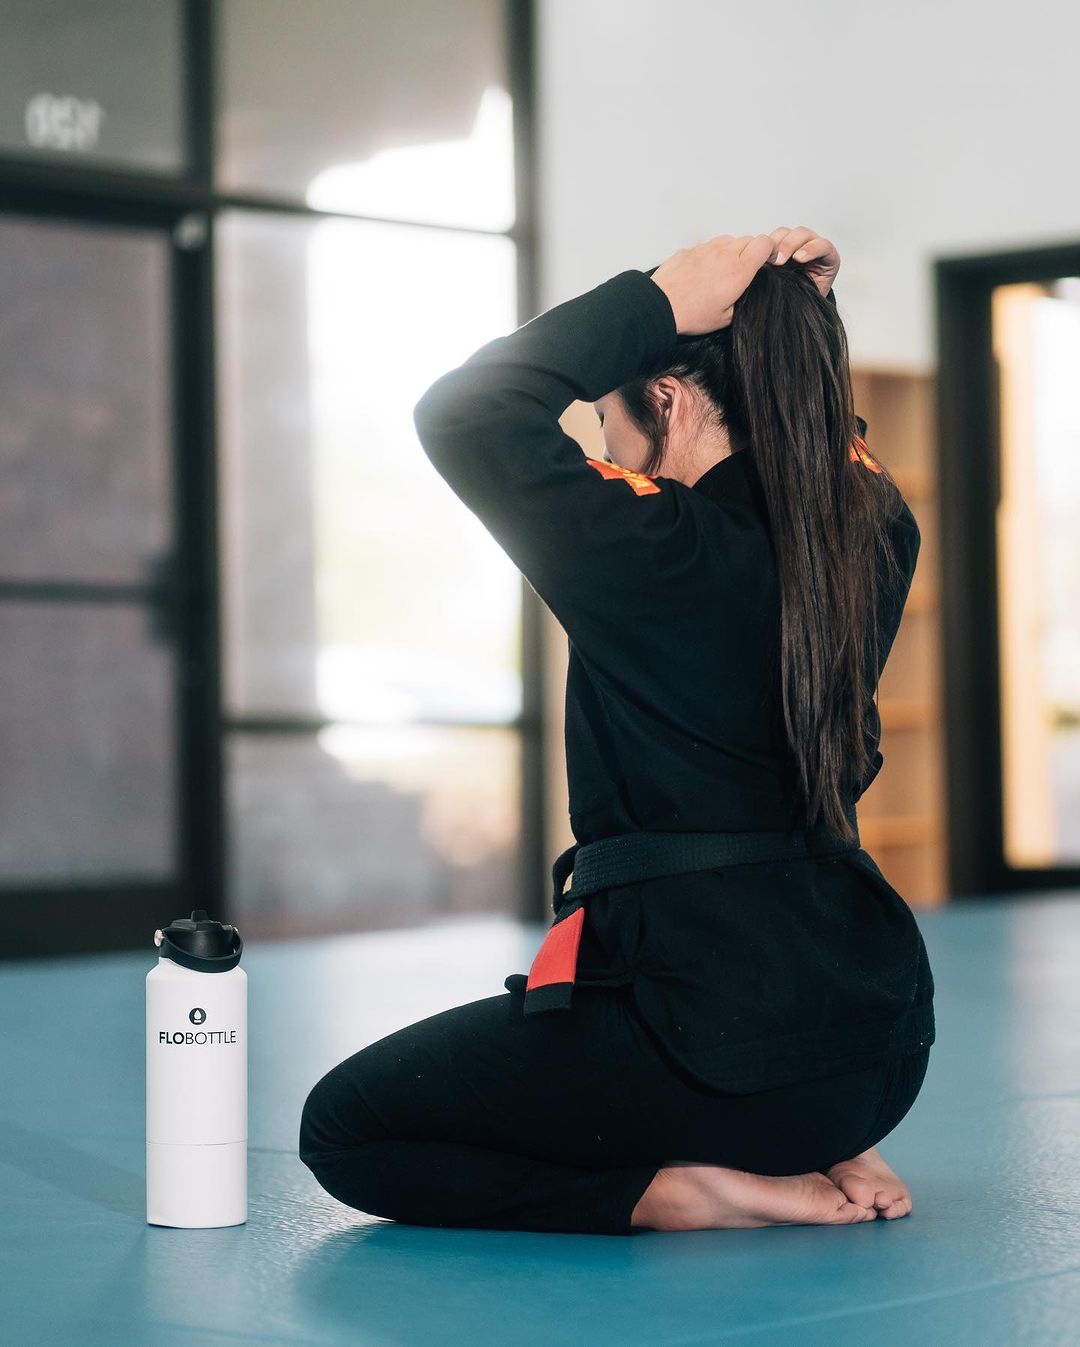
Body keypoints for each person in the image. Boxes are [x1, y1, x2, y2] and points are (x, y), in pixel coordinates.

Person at [298, 227, 936, 1234]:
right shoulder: (872, 533)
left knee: (345, 1129)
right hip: (878, 1058)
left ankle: (675, 1190)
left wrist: (657, 298)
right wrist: (796, 324)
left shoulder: (655, 547)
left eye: (607, 423)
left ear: (668, 401)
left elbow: (466, 411)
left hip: (713, 1055)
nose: (604, 452)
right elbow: (826, 447)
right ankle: (769, 1143)